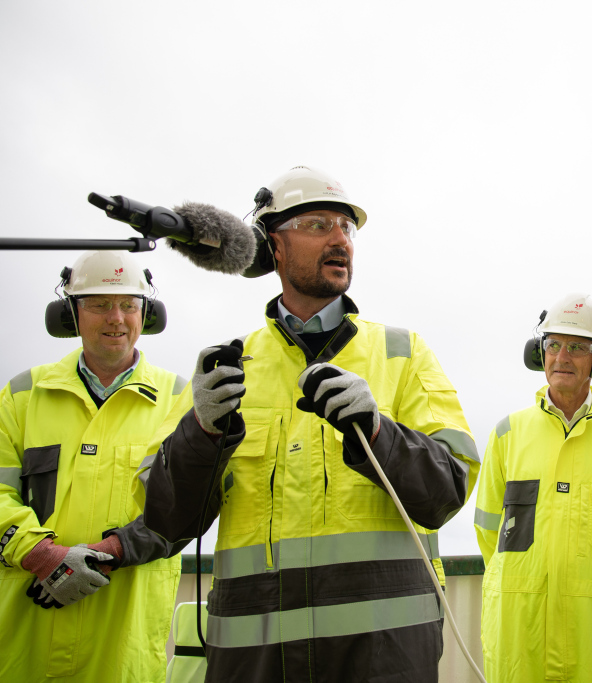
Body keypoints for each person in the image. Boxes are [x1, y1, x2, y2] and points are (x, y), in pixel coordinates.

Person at [139, 165, 481, 682]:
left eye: (347, 227)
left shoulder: (403, 353)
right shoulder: (230, 369)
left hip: (381, 655)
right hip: (254, 658)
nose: (340, 239)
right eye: (319, 225)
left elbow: (447, 491)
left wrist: (377, 431)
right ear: (272, 246)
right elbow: (166, 519)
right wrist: (202, 433)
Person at [0, 251, 188, 682]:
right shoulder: (23, 395)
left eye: (128, 304)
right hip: (25, 638)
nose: (115, 318)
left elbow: (188, 507)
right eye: (98, 305)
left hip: (123, 643)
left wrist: (108, 553)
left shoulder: (181, 401)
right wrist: (39, 555)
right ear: (71, 313)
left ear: (147, 313)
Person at [474, 293, 592, 683]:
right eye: (553, 345)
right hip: (519, 628)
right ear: (539, 353)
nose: (562, 357)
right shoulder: (508, 433)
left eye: (577, 347)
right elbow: (489, 532)